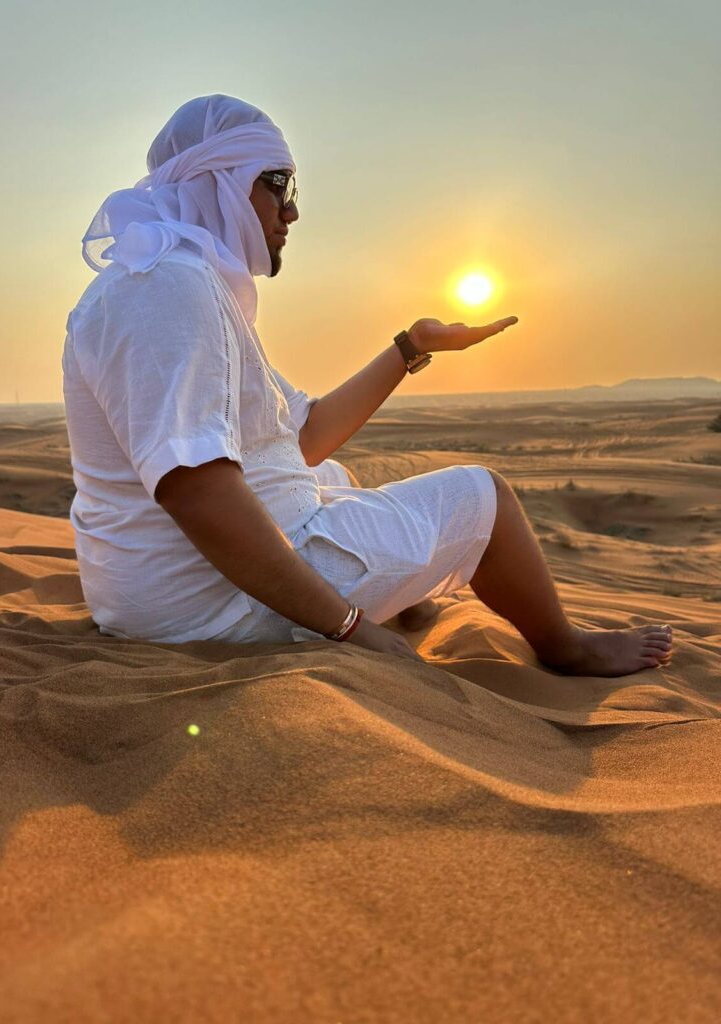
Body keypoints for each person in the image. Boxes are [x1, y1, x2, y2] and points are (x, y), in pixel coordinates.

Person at [63, 94, 673, 675]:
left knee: (332, 478)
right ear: (216, 180)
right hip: (212, 608)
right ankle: (566, 648)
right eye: (277, 184)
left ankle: (409, 595)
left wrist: (410, 347)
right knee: (483, 498)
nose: (292, 210)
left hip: (167, 591)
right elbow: (196, 490)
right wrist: (351, 629)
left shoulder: (176, 279)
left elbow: (300, 441)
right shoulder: (167, 288)